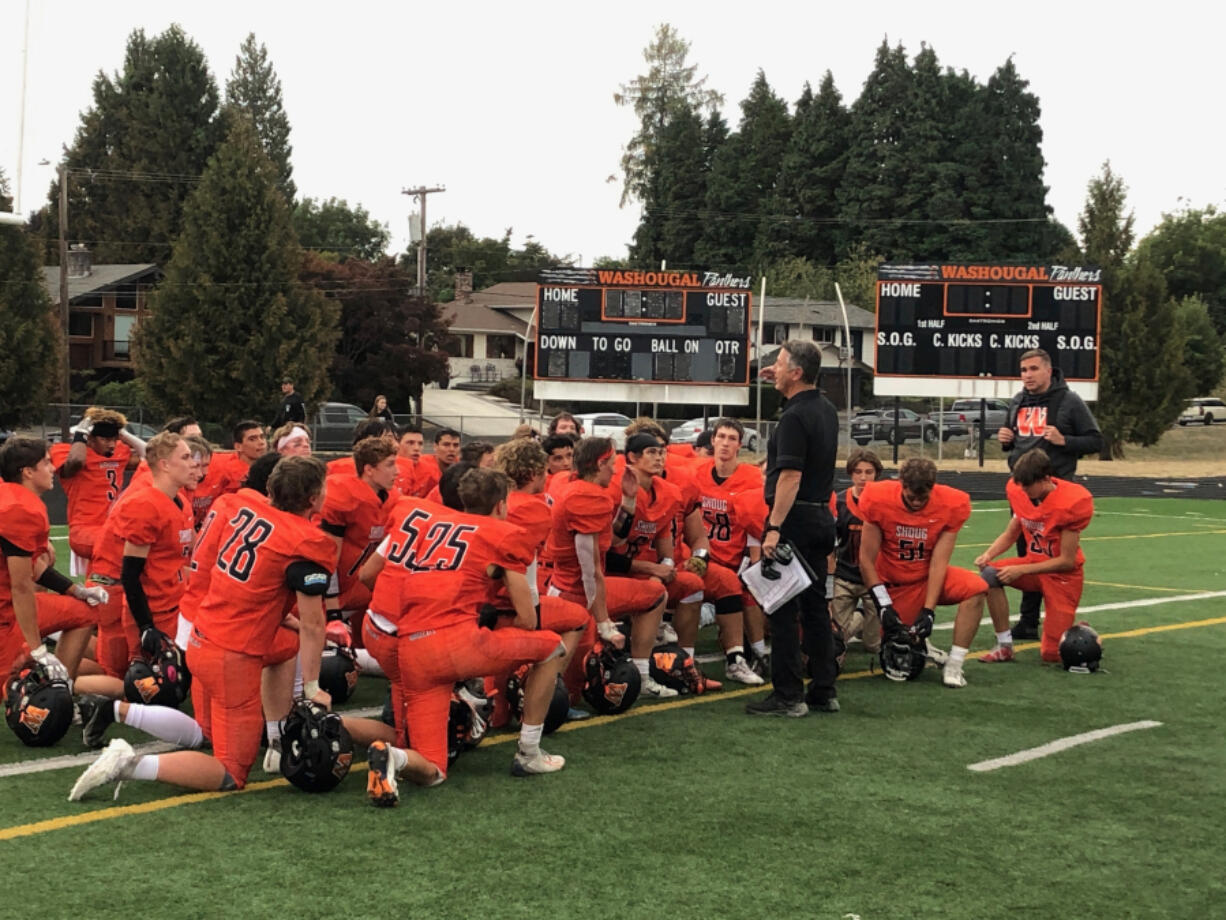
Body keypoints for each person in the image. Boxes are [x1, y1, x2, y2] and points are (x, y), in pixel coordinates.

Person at [70, 457, 337, 799]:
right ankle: (131, 764)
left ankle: (275, 737)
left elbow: (259, 585)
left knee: (281, 651)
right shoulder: (307, 540)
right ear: (314, 498)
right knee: (230, 771)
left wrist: (282, 618)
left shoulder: (241, 506)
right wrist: (312, 686)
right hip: (232, 656)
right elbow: (315, 625)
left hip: (200, 634)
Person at [360, 467, 583, 805]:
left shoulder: (424, 520)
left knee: (433, 768)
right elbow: (527, 618)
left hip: (410, 645)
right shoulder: (501, 534)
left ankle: (394, 758)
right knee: (552, 647)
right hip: (454, 644)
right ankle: (529, 752)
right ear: (500, 505)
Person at [747, 341, 840, 717]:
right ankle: (823, 688)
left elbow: (789, 476)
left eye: (780, 363)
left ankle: (788, 695)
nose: (774, 368)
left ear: (797, 373)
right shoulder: (827, 409)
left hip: (795, 519)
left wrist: (773, 528)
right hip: (820, 517)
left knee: (782, 607)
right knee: (816, 607)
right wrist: (779, 378)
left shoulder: (793, 417)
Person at [544, 437, 673, 698]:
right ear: (600, 463)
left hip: (571, 587)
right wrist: (604, 623)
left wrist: (628, 500)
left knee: (655, 595)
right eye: (612, 464)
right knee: (565, 690)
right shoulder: (585, 497)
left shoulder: (582, 488)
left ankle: (641, 676)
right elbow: (589, 570)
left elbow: (614, 540)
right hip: (575, 594)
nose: (615, 470)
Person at [856, 458, 988, 690]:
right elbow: (866, 559)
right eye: (911, 497)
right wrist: (884, 605)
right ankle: (921, 644)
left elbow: (939, 562)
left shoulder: (951, 503)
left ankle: (954, 664)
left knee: (977, 588)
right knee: (901, 646)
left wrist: (929, 610)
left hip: (927, 577)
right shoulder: (878, 498)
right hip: (895, 583)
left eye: (922, 497)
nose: (917, 502)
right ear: (901, 484)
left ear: (933, 487)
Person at [997, 348, 1102, 640]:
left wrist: (1064, 440)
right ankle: (1028, 620)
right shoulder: (1018, 400)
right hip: (1022, 489)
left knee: (1054, 557)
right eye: (1023, 370)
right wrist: (1005, 440)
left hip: (1055, 494)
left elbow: (1096, 440)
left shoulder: (1069, 401)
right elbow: (1015, 443)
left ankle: (1058, 615)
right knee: (1025, 553)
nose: (1027, 375)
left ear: (1048, 370)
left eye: (1032, 369)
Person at [959, 448, 1095, 667]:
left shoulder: (1071, 502)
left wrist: (1021, 570)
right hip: (1035, 564)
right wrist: (989, 554)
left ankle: (1081, 630)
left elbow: (1066, 561)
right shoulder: (1020, 491)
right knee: (990, 574)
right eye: (1020, 484)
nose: (1022, 489)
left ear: (1045, 479)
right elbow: (1012, 531)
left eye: (1028, 485)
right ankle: (1004, 646)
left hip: (1062, 577)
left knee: (1052, 654)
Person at [0, 437, 101, 678]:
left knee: (84, 610)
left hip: (10, 606)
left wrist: (74, 590)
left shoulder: (13, 497)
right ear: (27, 472)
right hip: (5, 613)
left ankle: (58, 683)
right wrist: (38, 650)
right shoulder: (20, 508)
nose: (53, 468)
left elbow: (32, 567)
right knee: (10, 688)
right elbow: (22, 586)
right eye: (46, 463)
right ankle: (43, 679)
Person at [50, 407, 145, 571]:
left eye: (114, 439)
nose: (112, 444)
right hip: (85, 529)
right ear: (90, 438)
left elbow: (151, 456)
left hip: (113, 526)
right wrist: (81, 432)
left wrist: (124, 434)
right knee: (129, 548)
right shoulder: (69, 452)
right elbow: (76, 462)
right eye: (105, 439)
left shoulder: (119, 451)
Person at [829, 448, 884, 655]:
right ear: (851, 474)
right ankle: (859, 617)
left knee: (873, 646)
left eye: (868, 472)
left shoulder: (884, 502)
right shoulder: (839, 501)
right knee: (835, 637)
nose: (863, 477)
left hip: (874, 580)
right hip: (845, 576)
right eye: (858, 471)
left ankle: (863, 618)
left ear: (876, 474)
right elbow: (831, 543)